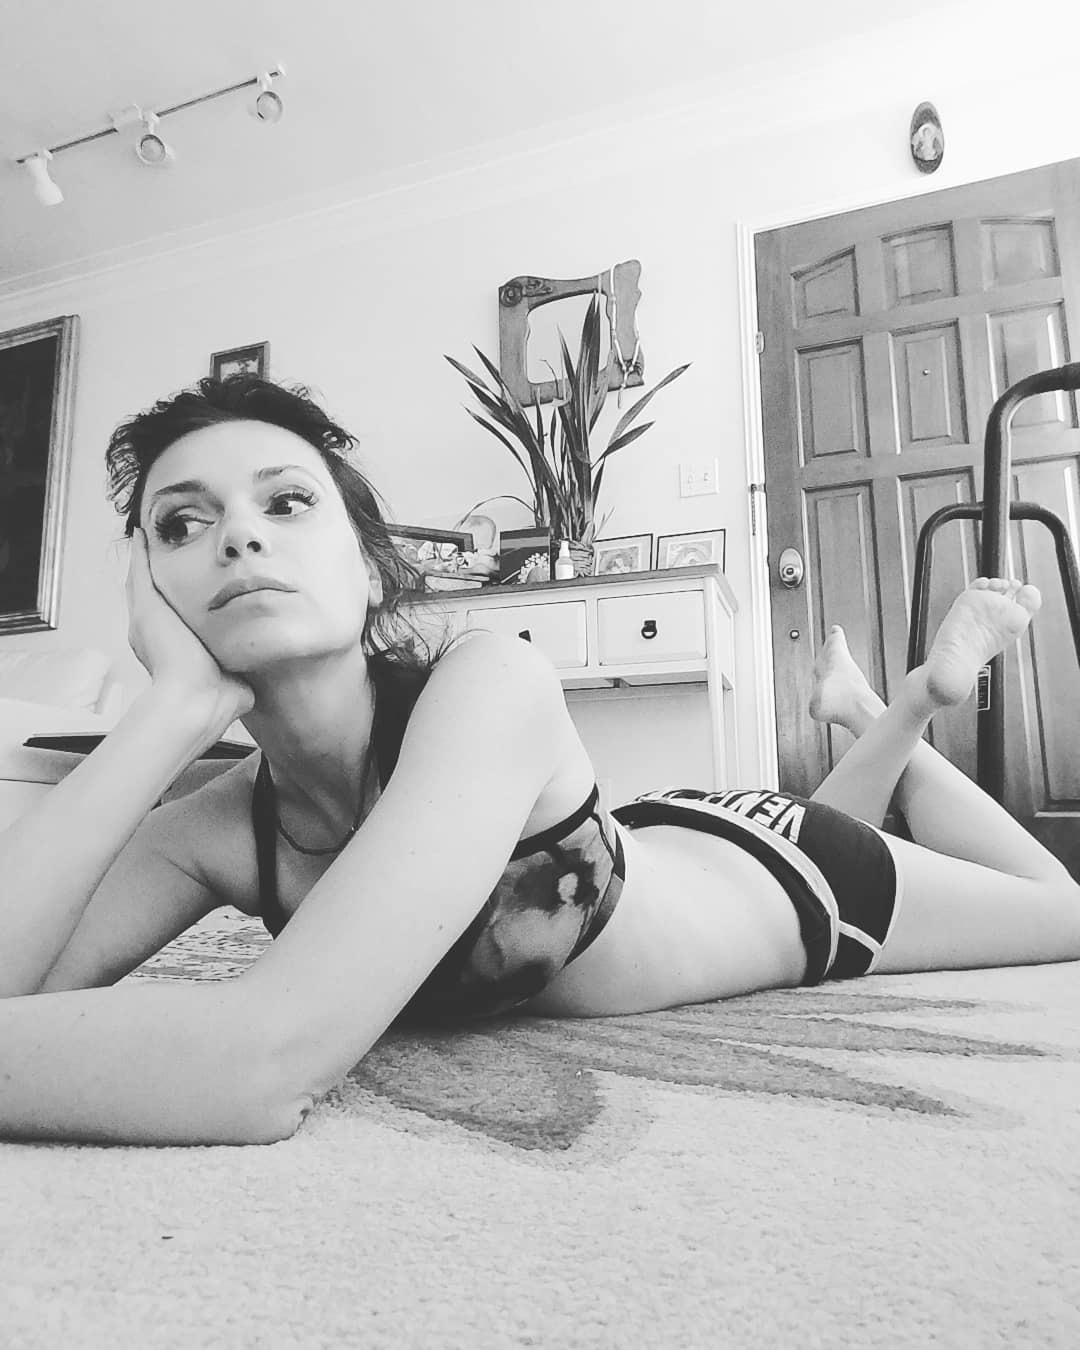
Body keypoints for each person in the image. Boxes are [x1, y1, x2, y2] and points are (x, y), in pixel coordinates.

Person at [1, 374, 1078, 1148]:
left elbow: (259, 1063)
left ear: (371, 569)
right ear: (151, 595)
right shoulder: (219, 824)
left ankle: (902, 709)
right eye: (180, 526)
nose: (238, 537)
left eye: (286, 502)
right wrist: (167, 716)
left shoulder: (490, 681)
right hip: (661, 834)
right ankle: (871, 714)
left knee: (1065, 913)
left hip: (800, 872)